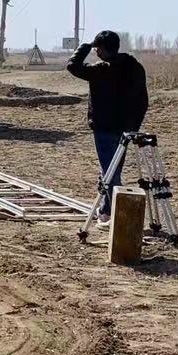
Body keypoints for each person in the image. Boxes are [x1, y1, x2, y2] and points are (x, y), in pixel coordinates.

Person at [66, 30, 149, 218]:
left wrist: (85, 46)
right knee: (112, 169)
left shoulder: (102, 69)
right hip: (125, 129)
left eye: (97, 48)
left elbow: (73, 66)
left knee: (110, 172)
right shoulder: (135, 67)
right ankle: (105, 209)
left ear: (102, 49)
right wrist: (133, 126)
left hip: (105, 127)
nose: (96, 52)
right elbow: (143, 100)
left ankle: (112, 213)